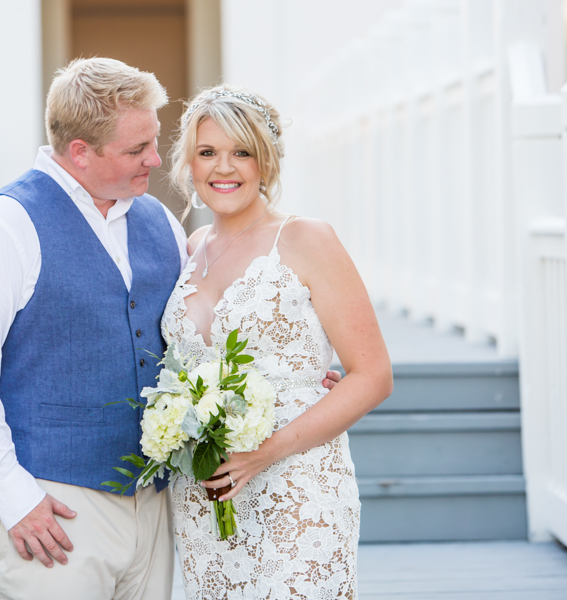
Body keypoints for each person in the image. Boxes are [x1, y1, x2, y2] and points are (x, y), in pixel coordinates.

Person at [0, 57, 186, 600]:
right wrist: (12, 495)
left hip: (153, 509)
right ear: (80, 152)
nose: (156, 158)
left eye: (153, 140)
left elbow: (196, 333)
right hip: (48, 508)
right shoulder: (3, 227)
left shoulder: (161, 222)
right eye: (136, 148)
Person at [163, 85, 393, 599]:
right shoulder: (191, 249)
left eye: (241, 151)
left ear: (265, 161)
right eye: (208, 153)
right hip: (206, 495)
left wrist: (261, 454)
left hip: (298, 483)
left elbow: (374, 376)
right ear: (191, 165)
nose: (225, 168)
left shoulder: (308, 239)